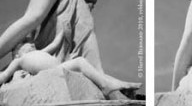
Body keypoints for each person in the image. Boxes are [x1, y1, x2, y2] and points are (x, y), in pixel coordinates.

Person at [0, 34, 142, 97]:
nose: (32, 44)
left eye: (32, 43)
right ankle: (106, 86)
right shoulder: (19, 60)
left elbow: (55, 44)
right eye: (25, 44)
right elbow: (5, 74)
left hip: (59, 68)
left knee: (83, 64)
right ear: (16, 53)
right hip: (54, 72)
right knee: (79, 62)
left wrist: (62, 28)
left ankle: (117, 84)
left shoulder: (39, 52)